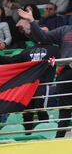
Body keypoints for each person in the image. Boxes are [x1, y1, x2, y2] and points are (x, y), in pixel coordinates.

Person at [0, 28, 60, 132]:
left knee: (41, 110)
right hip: (27, 86)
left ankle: (45, 135)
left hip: (43, 85)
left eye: (45, 31)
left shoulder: (56, 49)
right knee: (27, 113)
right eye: (40, 31)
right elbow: (11, 61)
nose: (41, 33)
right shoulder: (27, 51)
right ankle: (27, 136)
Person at [18, 8, 72, 138]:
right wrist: (32, 21)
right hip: (67, 73)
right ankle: (58, 141)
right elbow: (44, 37)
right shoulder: (65, 29)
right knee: (65, 110)